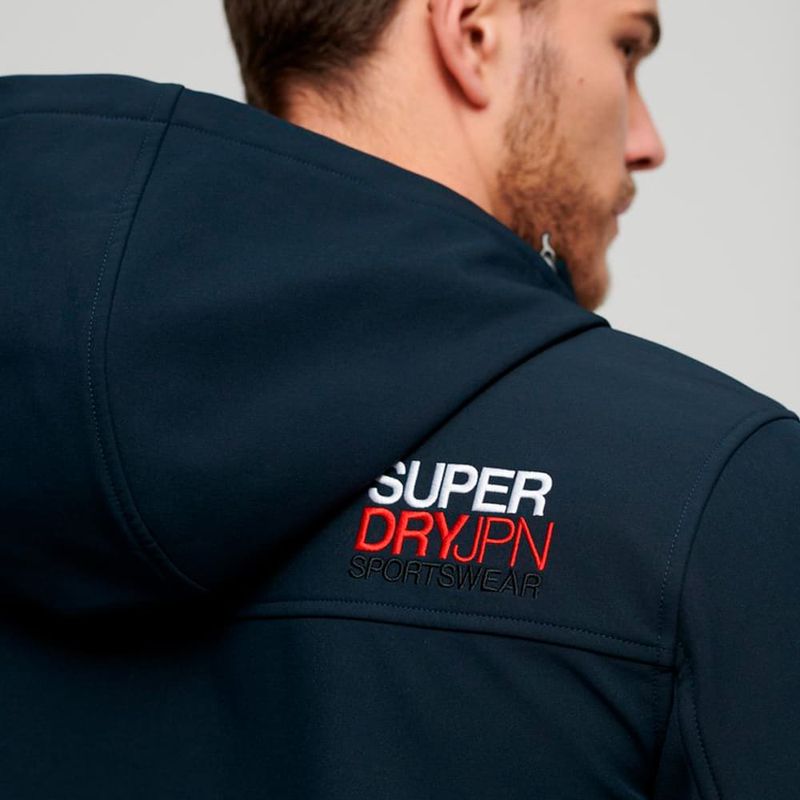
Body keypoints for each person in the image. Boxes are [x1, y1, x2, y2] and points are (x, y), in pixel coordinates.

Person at [0, 0, 797, 798]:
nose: (647, 141)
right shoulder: (718, 492)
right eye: (625, 48)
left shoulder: (27, 406)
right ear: (473, 30)